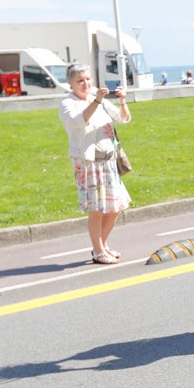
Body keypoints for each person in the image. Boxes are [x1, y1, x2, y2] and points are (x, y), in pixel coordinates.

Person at [58, 63, 132, 265]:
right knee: (97, 209)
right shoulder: (68, 104)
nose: (85, 84)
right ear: (71, 84)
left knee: (115, 206)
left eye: (88, 79)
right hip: (88, 162)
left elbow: (123, 119)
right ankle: (98, 250)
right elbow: (78, 121)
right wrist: (97, 101)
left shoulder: (96, 99)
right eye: (80, 81)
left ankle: (102, 245)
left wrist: (122, 100)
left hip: (108, 160)